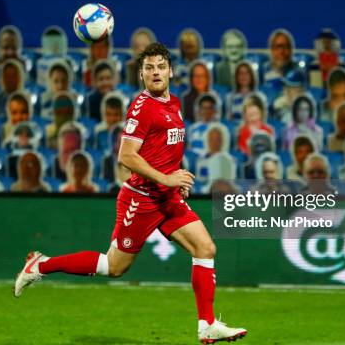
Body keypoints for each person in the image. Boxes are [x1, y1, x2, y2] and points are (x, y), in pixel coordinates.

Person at [13, 42, 247, 343]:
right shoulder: (143, 107)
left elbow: (164, 149)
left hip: (167, 197)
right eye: (149, 68)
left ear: (171, 71)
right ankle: (41, 265)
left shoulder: (173, 104)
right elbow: (126, 155)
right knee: (114, 266)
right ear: (141, 75)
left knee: (206, 249)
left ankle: (207, 325)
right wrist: (166, 178)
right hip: (142, 199)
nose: (156, 72)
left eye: (161, 66)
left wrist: (177, 180)